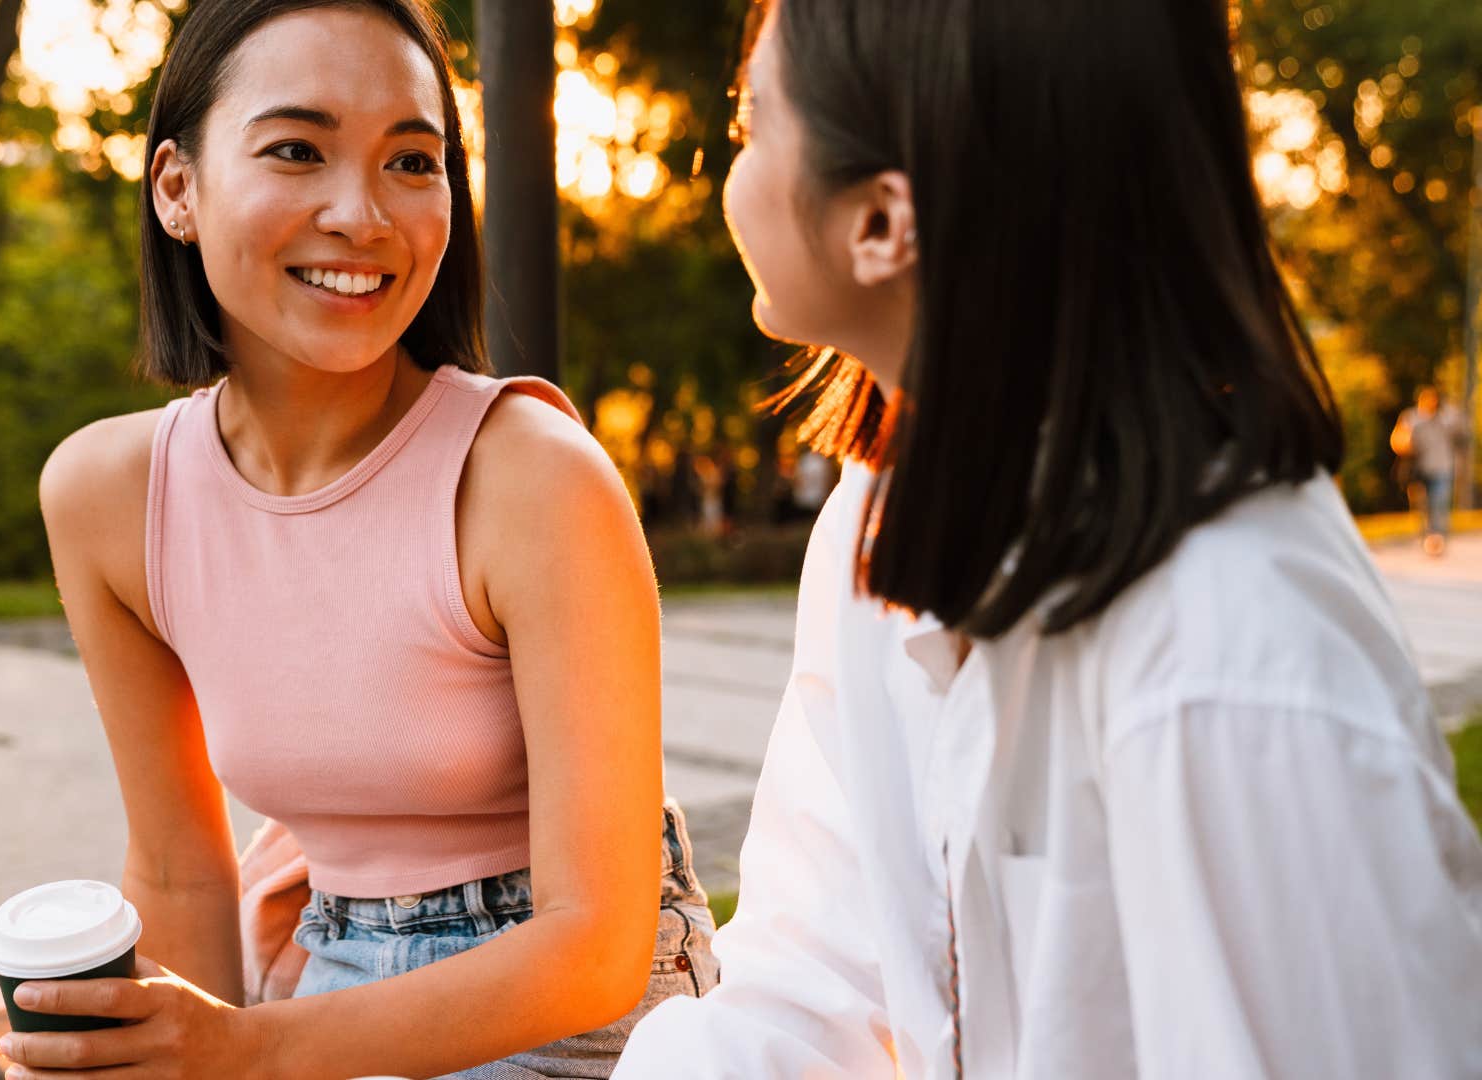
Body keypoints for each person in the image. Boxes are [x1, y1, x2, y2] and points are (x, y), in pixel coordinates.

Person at [616, 0, 1482, 1076]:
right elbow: (810, 980)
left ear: (883, 222)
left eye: (751, 124)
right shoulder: (875, 531)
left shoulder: (1233, 664)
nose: (727, 170)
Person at [0, 2, 715, 1076]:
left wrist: (245, 1051)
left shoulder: (530, 478)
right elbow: (183, 874)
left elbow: (595, 948)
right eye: (297, 149)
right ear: (177, 190)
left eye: (411, 161)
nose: (363, 213)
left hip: (581, 1013)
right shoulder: (106, 495)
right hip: (322, 968)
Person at [1391, 386, 1468, 556]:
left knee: (1439, 503)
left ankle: (1437, 538)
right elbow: (1396, 440)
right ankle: (1426, 535)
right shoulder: (1411, 418)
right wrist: (1407, 442)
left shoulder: (1447, 417)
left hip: (1442, 468)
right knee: (1422, 506)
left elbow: (1462, 432)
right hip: (1418, 470)